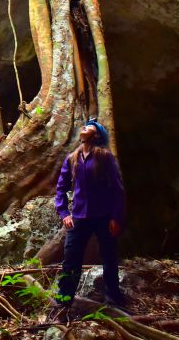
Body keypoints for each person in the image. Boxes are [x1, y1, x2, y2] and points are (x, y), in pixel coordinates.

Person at [50, 118, 126, 317]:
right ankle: (64, 299)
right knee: (71, 259)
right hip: (80, 217)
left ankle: (114, 298)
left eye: (89, 126)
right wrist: (64, 212)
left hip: (103, 216)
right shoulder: (72, 158)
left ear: (97, 135)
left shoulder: (105, 157)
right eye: (84, 126)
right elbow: (61, 188)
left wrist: (116, 218)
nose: (84, 127)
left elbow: (117, 190)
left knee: (109, 257)